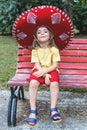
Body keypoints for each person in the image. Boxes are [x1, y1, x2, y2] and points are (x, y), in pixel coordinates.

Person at [26, 25, 62, 126]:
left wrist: (46, 72)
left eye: (45, 31)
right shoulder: (35, 50)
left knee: (54, 84)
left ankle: (53, 109)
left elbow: (55, 65)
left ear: (50, 35)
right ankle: (33, 111)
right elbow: (36, 64)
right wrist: (45, 74)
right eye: (39, 32)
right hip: (39, 70)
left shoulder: (54, 49)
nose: (42, 33)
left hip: (52, 70)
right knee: (33, 83)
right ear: (36, 37)